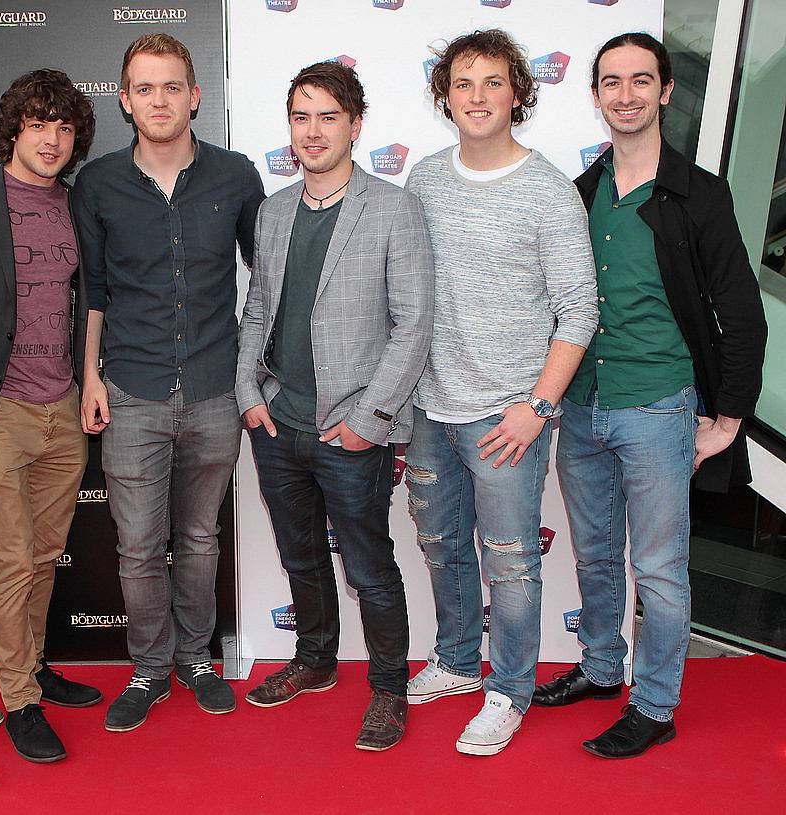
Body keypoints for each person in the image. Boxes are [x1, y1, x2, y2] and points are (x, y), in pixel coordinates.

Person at [531, 32, 767, 759]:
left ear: (665, 92)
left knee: (658, 569)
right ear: (596, 94)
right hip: (583, 404)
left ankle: (656, 704)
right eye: (611, 81)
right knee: (596, 555)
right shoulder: (581, 193)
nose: (626, 94)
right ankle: (603, 668)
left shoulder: (699, 194)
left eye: (641, 80)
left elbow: (742, 310)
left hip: (660, 405)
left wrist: (728, 416)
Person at [403, 30, 598, 756]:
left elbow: (579, 309)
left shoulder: (548, 190)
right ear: (444, 95)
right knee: (441, 543)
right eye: (462, 83)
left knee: (510, 560)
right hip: (430, 405)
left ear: (518, 91)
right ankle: (457, 660)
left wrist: (537, 406)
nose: (477, 97)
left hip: (508, 413)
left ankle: (508, 688)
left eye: (492, 82)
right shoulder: (423, 178)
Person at [237, 60, 433, 752]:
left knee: (370, 566)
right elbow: (257, 308)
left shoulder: (393, 208)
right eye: (300, 116)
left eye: (328, 116)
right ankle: (315, 660)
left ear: (355, 125)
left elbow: (414, 324)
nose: (312, 131)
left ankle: (388, 688)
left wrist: (370, 420)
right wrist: (248, 396)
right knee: (300, 556)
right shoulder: (274, 209)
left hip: (352, 430)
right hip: (277, 424)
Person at [72, 33, 265, 732]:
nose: (159, 100)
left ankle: (197, 659)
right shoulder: (97, 184)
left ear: (195, 95)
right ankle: (150, 667)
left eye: (172, 86)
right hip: (130, 389)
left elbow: (266, 282)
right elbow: (92, 290)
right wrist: (89, 374)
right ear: (124, 100)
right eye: (144, 88)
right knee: (137, 545)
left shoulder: (237, 176)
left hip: (215, 389)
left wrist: (254, 376)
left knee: (201, 537)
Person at [0, 69, 101, 765]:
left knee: (40, 558)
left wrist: (90, 379)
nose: (52, 138)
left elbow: (90, 300)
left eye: (63, 126)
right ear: (12, 129)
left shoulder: (78, 204)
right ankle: (18, 700)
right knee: (7, 562)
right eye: (38, 124)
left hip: (63, 408)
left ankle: (31, 668)